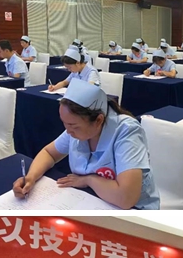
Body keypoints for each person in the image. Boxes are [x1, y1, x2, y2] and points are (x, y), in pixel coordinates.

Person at [13, 81, 160, 210]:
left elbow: (126, 198)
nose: (68, 131)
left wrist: (88, 180)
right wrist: (31, 177)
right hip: (91, 199)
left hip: (134, 209)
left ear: (98, 120)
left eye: (73, 126)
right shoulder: (77, 130)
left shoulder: (127, 132)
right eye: (64, 123)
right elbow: (49, 153)